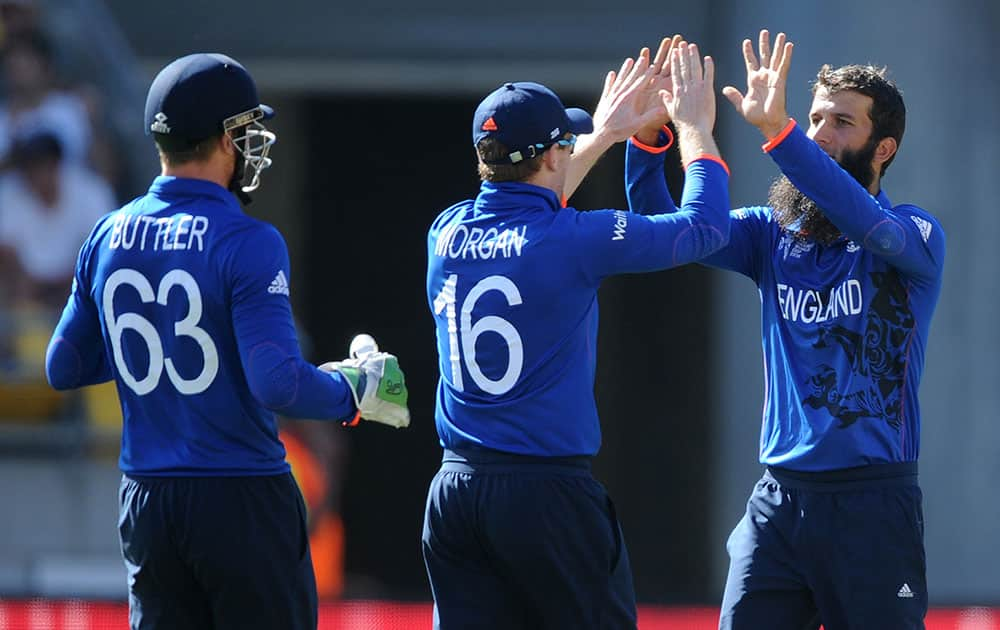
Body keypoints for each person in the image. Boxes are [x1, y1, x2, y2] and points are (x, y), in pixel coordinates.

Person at [44, 53, 410, 630]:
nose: (252, 145)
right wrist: (355, 389)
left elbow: (64, 365)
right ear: (222, 138)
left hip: (146, 497)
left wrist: (159, 347)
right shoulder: (248, 240)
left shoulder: (107, 233)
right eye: (244, 131)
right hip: (239, 496)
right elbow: (279, 384)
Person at [627, 30, 944, 630]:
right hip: (778, 502)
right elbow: (659, 223)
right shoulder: (770, 235)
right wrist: (649, 138)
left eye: (842, 123)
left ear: (884, 148)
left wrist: (781, 134)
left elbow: (864, 220)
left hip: (872, 504)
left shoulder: (914, 237)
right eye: (815, 117)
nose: (821, 133)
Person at [422, 39, 731, 629]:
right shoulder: (574, 238)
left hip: (456, 490)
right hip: (545, 494)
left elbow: (533, 197)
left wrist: (607, 134)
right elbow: (706, 227)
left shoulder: (445, 232)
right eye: (565, 143)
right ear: (552, 155)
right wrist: (693, 128)